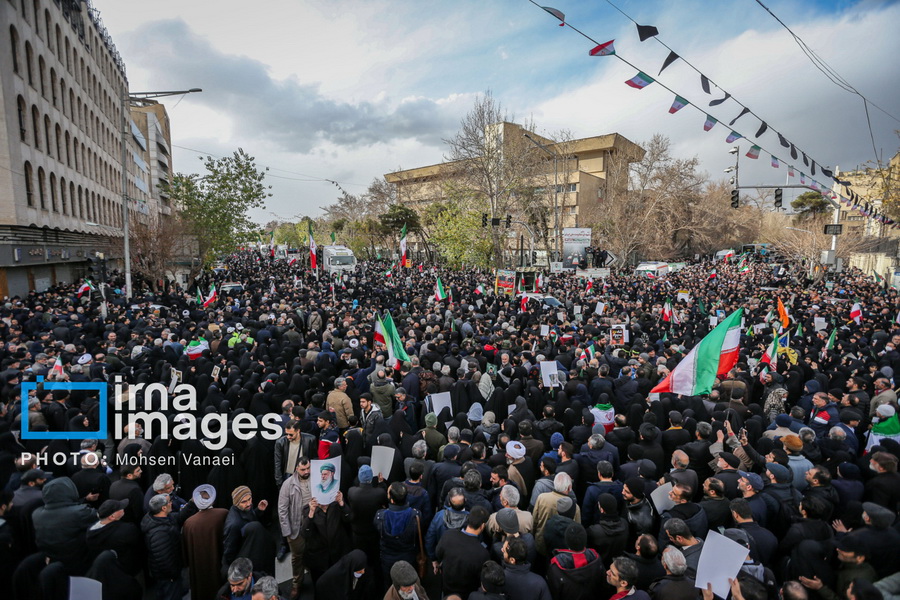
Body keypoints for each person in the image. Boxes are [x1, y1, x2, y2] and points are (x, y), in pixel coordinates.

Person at [32, 476, 98, 575]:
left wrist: (84, 499)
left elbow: (64, 509)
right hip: (79, 564)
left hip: (52, 564)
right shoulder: (82, 513)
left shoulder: (36, 514)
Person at [141, 493, 198, 600]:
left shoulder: (164, 518)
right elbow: (163, 558)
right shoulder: (159, 533)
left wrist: (192, 503)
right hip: (168, 577)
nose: (171, 503)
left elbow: (180, 516)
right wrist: (173, 575)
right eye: (169, 502)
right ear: (163, 508)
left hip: (170, 573)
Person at [183, 484, 229, 600]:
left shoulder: (189, 523)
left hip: (198, 567)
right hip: (217, 562)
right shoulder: (222, 514)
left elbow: (186, 551)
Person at [435, 505, 491, 598]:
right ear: (482, 526)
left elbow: (438, 554)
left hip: (446, 589)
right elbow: (480, 578)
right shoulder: (483, 554)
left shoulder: (448, 535)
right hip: (467, 594)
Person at [374, 481, 421, 585]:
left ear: (391, 500)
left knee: (389, 584)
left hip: (388, 558)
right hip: (409, 557)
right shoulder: (415, 515)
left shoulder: (380, 516)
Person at [279, 457, 312, 599]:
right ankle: (296, 584)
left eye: (308, 468)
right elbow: (282, 510)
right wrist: (288, 532)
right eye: (303, 469)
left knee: (314, 553)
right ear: (297, 469)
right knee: (297, 558)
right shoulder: (288, 485)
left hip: (313, 527)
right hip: (296, 529)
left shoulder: (316, 479)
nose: (306, 471)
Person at [223, 485, 273, 577]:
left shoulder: (245, 508)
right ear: (237, 503)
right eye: (244, 502)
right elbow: (229, 551)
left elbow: (250, 519)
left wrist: (258, 511)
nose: (248, 503)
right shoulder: (234, 524)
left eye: (249, 499)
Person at [547, 522, 606, 600]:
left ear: (566, 542)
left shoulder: (556, 568)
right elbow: (603, 587)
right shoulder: (596, 559)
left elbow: (554, 593)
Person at [86, 498, 142, 576]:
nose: (123, 508)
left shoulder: (90, 532)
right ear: (112, 516)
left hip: (107, 571)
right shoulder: (126, 530)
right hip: (127, 569)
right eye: (120, 508)